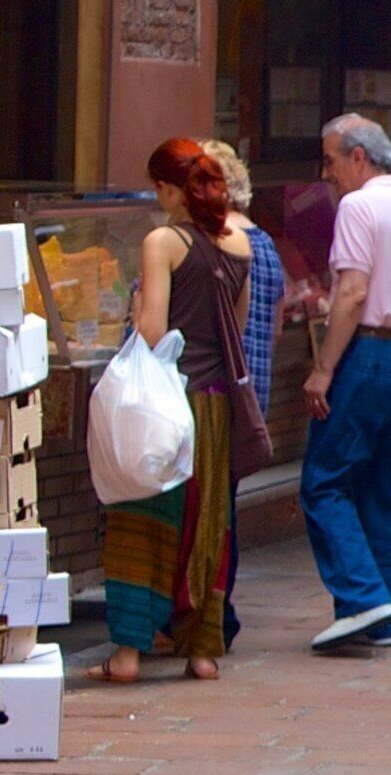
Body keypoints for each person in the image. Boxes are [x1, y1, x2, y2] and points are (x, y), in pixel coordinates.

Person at [98, 141, 268, 684]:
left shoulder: (163, 241)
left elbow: (152, 331)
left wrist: (133, 309)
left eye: (158, 187)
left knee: (144, 516)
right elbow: (235, 331)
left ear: (171, 190)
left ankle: (127, 654)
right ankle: (202, 651)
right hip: (215, 405)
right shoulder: (240, 244)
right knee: (206, 522)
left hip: (167, 401)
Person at [301, 113, 391, 652]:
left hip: (369, 356)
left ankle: (363, 598)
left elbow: (353, 292)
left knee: (324, 480)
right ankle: (382, 616)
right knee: (389, 491)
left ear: (358, 157)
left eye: (331, 160)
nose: (328, 174)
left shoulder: (359, 207)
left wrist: (323, 369)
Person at [204, 140, 286, 424]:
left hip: (209, 397)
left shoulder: (209, 240)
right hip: (252, 397)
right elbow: (276, 328)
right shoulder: (266, 244)